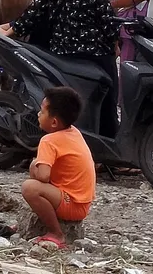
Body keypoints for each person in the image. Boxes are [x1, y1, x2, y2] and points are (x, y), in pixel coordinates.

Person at [0, 0, 119, 136]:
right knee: (110, 93)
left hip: (59, 55)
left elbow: (30, 16)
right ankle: (109, 138)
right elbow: (110, 28)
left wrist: (6, 33)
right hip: (93, 57)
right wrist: (115, 46)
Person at [20, 87, 95, 249]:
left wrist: (35, 165)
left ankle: (56, 233)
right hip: (82, 203)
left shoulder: (49, 140)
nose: (38, 114)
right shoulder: (73, 131)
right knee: (35, 180)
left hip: (73, 204)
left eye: (42, 111)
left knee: (30, 188)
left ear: (54, 122)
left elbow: (43, 177)